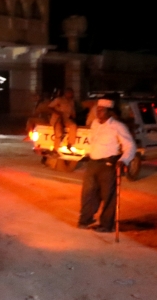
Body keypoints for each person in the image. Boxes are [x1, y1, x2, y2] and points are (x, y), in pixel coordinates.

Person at [78, 98, 137, 232]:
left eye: (102, 110)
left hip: (108, 164)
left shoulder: (117, 126)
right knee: (88, 194)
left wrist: (124, 160)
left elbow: (130, 146)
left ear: (109, 111)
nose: (98, 113)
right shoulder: (94, 124)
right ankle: (85, 220)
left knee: (108, 196)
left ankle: (106, 224)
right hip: (93, 163)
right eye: (97, 110)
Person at [48, 88, 78, 153]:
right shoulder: (59, 100)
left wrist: (74, 116)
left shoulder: (71, 102)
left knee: (73, 126)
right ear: (65, 93)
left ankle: (70, 144)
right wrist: (57, 112)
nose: (71, 95)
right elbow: (49, 107)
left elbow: (72, 112)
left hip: (66, 119)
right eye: (69, 93)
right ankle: (55, 150)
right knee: (58, 132)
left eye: (71, 93)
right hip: (57, 119)